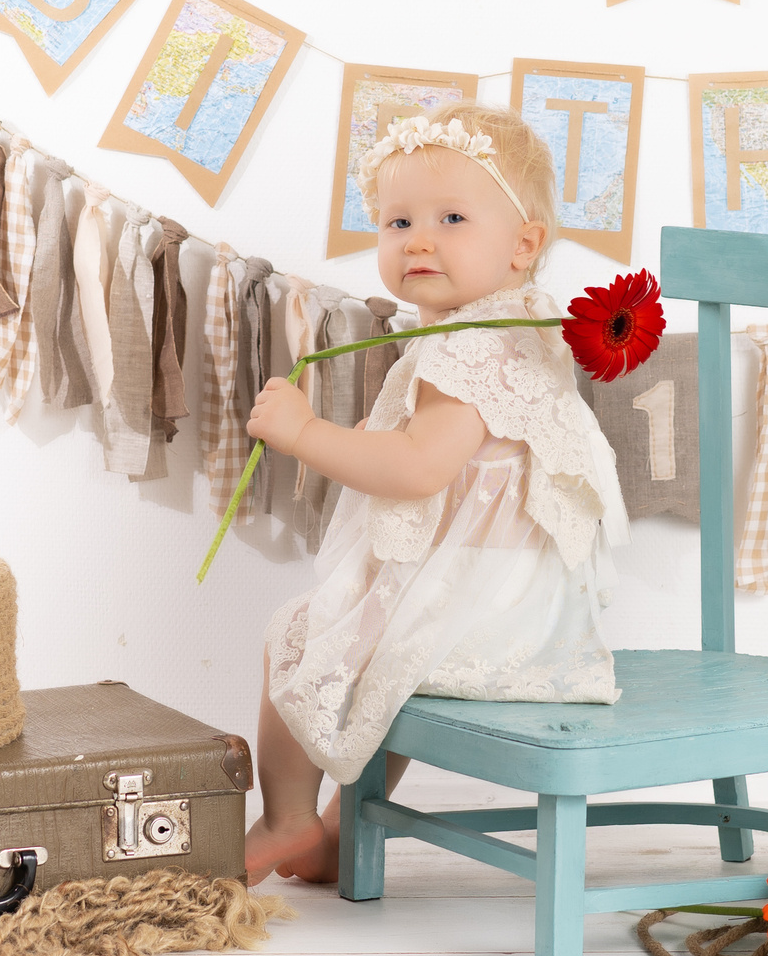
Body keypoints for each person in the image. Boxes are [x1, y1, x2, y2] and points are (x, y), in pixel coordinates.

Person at [241, 104, 627, 884]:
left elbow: (419, 468)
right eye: (397, 221)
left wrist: (305, 432)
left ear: (524, 245)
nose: (417, 239)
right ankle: (335, 829)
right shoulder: (514, 327)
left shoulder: (468, 347)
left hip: (482, 610)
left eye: (451, 217)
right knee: (375, 642)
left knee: (300, 635)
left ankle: (286, 821)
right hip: (513, 600)